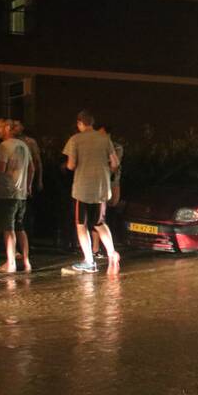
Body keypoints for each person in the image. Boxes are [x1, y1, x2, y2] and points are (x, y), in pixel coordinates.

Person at [62, 110, 119, 274]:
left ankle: (89, 261)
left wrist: (69, 166)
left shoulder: (75, 139)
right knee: (100, 223)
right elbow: (115, 163)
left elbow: (71, 165)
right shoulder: (104, 139)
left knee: (81, 225)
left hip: (83, 188)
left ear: (80, 123)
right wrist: (103, 171)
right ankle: (112, 253)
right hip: (101, 187)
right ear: (92, 123)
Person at [0, 118, 34, 273]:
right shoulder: (23, 145)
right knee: (20, 227)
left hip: (8, 193)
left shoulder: (4, 146)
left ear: (7, 128)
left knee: (8, 228)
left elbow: (1, 169)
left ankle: (10, 263)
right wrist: (28, 186)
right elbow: (31, 168)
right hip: (21, 193)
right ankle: (26, 261)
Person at [91, 123, 122, 259]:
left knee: (112, 208)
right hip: (99, 183)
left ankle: (110, 245)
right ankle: (95, 248)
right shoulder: (94, 146)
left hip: (111, 182)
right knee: (98, 216)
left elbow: (114, 165)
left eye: (102, 133)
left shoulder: (116, 147)